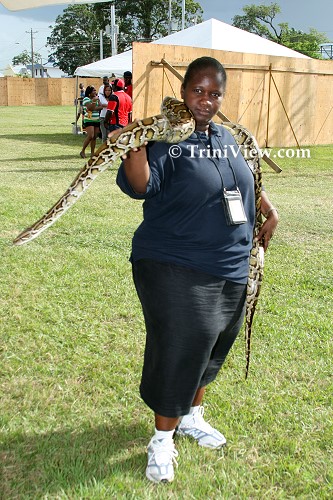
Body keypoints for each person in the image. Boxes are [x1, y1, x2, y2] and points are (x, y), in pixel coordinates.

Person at [116, 56, 279, 484]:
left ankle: (191, 417)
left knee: (211, 347)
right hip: (175, 264)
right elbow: (140, 185)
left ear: (222, 97)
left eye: (214, 93)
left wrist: (267, 208)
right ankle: (162, 441)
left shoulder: (228, 138)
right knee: (182, 347)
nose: (205, 101)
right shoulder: (164, 137)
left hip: (229, 265)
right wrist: (133, 142)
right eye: (197, 91)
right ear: (183, 91)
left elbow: (243, 185)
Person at [80, 86, 103, 158]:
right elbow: (90, 108)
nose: (95, 92)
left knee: (95, 137)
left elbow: (101, 107)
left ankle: (92, 153)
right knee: (90, 136)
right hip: (89, 120)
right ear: (89, 92)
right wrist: (93, 102)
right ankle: (82, 151)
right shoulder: (86, 99)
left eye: (95, 90)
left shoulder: (97, 98)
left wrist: (94, 108)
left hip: (96, 119)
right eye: (93, 91)